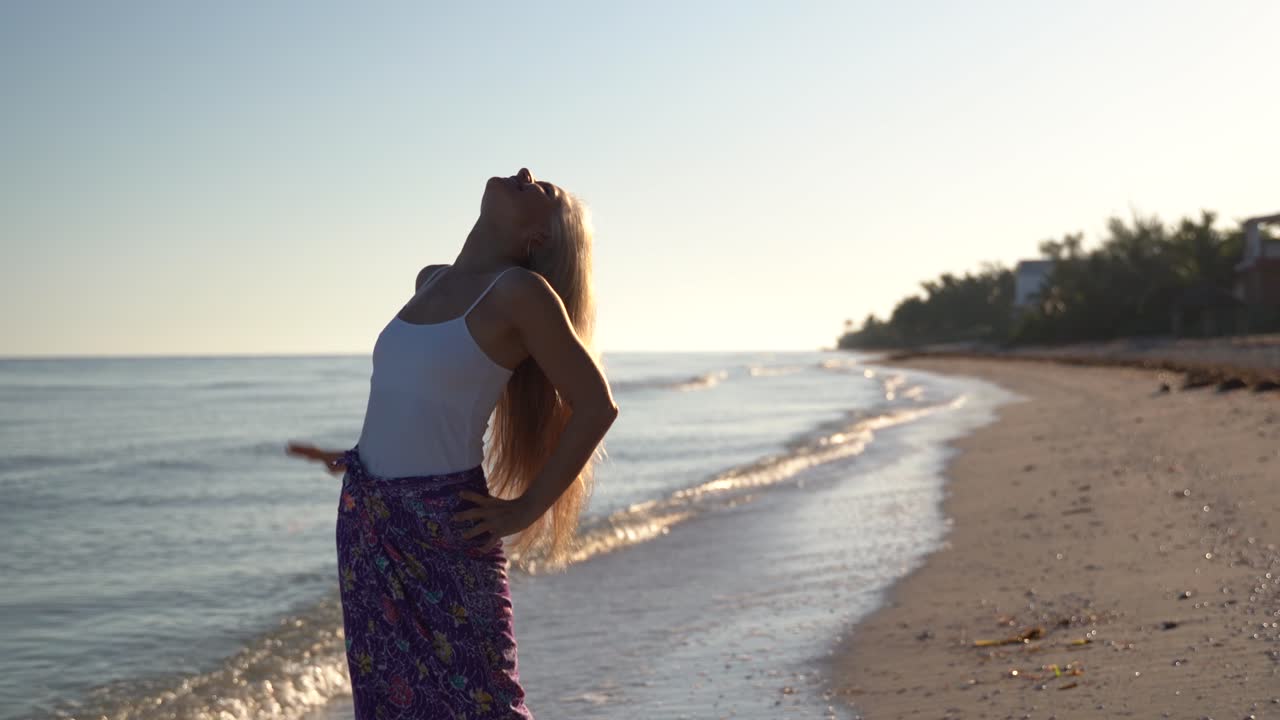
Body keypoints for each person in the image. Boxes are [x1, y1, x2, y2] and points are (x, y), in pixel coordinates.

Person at [286, 167, 619, 719]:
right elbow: (417, 396)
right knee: (388, 704)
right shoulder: (430, 280)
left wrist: (526, 509)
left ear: (539, 238)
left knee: (485, 700)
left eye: (544, 191)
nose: (525, 174)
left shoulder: (520, 293)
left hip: (445, 525)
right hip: (367, 520)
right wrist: (351, 456)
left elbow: (596, 405)